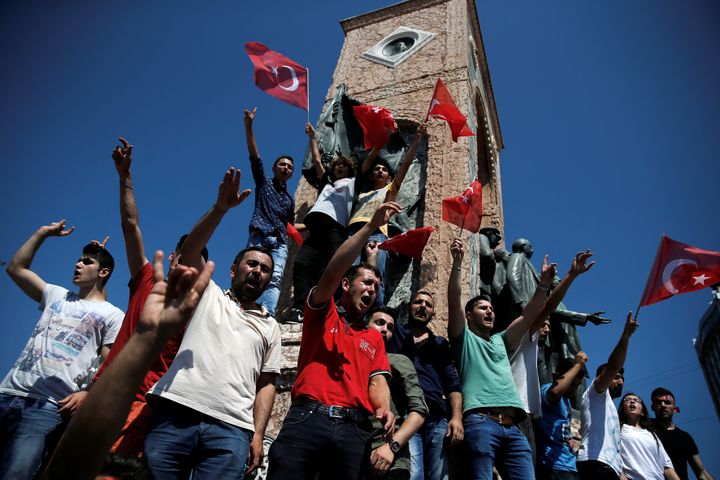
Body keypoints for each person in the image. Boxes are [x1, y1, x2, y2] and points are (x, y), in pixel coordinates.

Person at [143, 167, 282, 479]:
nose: (258, 271)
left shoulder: (270, 326)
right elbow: (190, 251)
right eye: (252, 264)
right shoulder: (209, 294)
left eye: (265, 269)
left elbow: (267, 384)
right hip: (176, 410)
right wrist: (219, 210)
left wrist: (258, 434)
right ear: (233, 270)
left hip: (232, 428)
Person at [42, 252, 214, 480]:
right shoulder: (148, 283)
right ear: (173, 256)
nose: (185, 268)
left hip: (148, 410)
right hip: (111, 399)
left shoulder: (198, 314)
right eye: (183, 259)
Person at [92, 137, 209, 457]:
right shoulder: (145, 276)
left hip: (142, 406)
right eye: (184, 254)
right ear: (172, 257)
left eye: (196, 257)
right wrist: (125, 178)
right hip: (99, 391)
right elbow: (130, 225)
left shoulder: (197, 309)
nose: (187, 261)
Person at [267, 201, 400, 479]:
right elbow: (332, 271)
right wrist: (370, 227)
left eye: (376, 287)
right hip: (308, 418)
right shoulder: (323, 313)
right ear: (345, 285)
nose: (372, 290)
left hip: (354, 428)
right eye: (365, 282)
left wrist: (383, 407)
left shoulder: (373, 337)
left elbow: (377, 381)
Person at [1, 222, 124, 479]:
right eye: (78, 260)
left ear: (103, 272)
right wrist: (42, 233)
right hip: (6, 394)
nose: (77, 265)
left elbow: (110, 363)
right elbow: (16, 268)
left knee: (18, 473)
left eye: (86, 262)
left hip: (47, 407)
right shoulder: (57, 295)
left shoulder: (112, 314)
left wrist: (88, 393)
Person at [447, 237, 556, 480]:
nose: (489, 311)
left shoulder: (501, 340)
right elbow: (454, 301)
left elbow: (528, 316)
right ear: (469, 315)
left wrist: (543, 286)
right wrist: (457, 263)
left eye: (491, 309)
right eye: (482, 308)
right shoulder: (463, 339)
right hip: (480, 421)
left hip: (514, 427)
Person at [509, 250, 596, 461]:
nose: (545, 328)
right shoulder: (515, 341)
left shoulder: (537, 350)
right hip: (513, 415)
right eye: (542, 324)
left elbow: (549, 308)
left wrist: (571, 276)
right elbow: (546, 309)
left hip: (534, 419)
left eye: (546, 325)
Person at [387, 289, 463, 480]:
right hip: (406, 413)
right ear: (408, 307)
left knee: (439, 476)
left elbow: (452, 384)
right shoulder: (395, 334)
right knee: (414, 475)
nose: (422, 306)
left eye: (428, 305)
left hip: (436, 416)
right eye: (418, 302)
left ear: (433, 314)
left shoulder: (440, 344)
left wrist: (456, 417)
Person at [286, 123, 359, 323]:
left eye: (343, 165)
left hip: (335, 228)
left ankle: (333, 308)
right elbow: (317, 160)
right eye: (337, 166)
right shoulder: (326, 184)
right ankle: (299, 307)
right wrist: (312, 137)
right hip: (316, 226)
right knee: (302, 264)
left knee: (331, 267)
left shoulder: (352, 184)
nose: (339, 167)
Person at [347, 123, 427, 304]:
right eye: (377, 169)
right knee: (349, 272)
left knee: (375, 275)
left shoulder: (389, 191)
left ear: (389, 178)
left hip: (377, 233)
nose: (380, 171)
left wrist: (417, 140)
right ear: (370, 176)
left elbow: (406, 164)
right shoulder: (361, 193)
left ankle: (375, 311)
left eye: (384, 170)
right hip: (354, 231)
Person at [244, 107, 296, 316]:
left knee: (274, 280)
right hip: (260, 234)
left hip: (280, 242)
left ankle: (267, 316)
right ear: (274, 168)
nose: (285, 168)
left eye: (289, 166)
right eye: (282, 164)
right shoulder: (264, 184)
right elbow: (255, 157)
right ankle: (244, 310)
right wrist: (248, 126)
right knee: (250, 273)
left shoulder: (289, 199)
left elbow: (290, 225)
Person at [366, 305, 428, 480]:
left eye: (390, 327)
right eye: (379, 323)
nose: (385, 329)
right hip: (351, 452)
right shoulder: (352, 358)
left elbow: (419, 410)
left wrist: (391, 447)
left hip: (390, 458)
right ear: (365, 326)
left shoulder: (399, 362)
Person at [576, 313, 639, 480]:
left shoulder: (610, 409)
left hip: (611, 469)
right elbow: (613, 366)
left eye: (623, 379)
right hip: (595, 464)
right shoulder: (596, 393)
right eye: (617, 377)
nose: (621, 382)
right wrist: (626, 336)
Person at [535, 353, 589, 480]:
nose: (574, 389)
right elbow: (555, 391)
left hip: (570, 467)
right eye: (572, 384)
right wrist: (578, 365)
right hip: (553, 467)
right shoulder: (548, 389)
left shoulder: (566, 400)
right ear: (557, 377)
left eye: (577, 386)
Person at [650, 387, 715, 480]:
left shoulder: (684, 437)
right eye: (658, 402)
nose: (663, 405)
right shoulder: (645, 428)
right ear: (653, 407)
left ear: (674, 408)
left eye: (667, 402)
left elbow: (701, 473)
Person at [618, 393, 680, 480]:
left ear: (643, 411)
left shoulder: (652, 434)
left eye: (636, 401)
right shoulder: (617, 430)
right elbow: (613, 458)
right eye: (627, 400)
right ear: (623, 409)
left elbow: (667, 467)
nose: (632, 401)